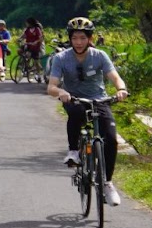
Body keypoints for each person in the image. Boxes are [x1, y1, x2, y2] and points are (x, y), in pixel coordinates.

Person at [46, 16, 130, 207]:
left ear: (90, 38)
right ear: (70, 39)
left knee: (110, 138)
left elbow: (114, 76)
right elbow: (51, 86)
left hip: (99, 99)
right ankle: (74, 151)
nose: (79, 42)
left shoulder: (99, 56)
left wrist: (121, 89)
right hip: (74, 99)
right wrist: (61, 92)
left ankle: (107, 183)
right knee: (76, 112)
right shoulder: (61, 58)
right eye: (75, 38)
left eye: (83, 38)